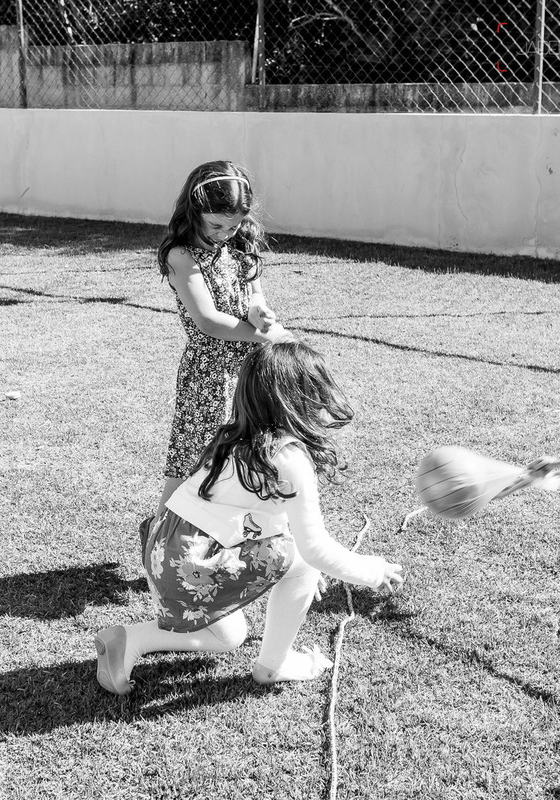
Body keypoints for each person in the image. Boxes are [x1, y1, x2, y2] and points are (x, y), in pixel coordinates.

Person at [95, 342, 405, 695]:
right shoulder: (288, 459)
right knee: (303, 561)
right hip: (188, 565)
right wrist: (373, 571)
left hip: (164, 551)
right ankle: (274, 666)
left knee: (230, 636)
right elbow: (314, 548)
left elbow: (263, 517)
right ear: (301, 400)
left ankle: (128, 641)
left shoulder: (234, 439)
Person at [151, 160, 296, 538]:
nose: (224, 234)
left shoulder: (239, 244)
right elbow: (209, 321)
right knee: (193, 454)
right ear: (194, 211)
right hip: (211, 373)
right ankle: (159, 535)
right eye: (216, 225)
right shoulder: (181, 256)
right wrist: (269, 336)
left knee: (243, 450)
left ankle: (221, 533)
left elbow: (254, 295)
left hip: (248, 366)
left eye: (232, 226)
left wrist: (260, 312)